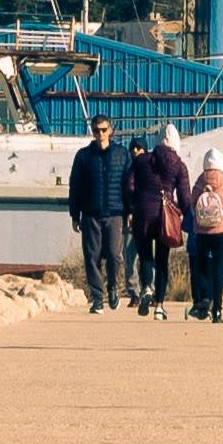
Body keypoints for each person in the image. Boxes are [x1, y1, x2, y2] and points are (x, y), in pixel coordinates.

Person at [65, 114, 129, 313]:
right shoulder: (84, 156)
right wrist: (75, 214)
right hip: (91, 212)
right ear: (92, 132)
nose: (100, 134)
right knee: (91, 257)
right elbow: (75, 186)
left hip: (115, 212)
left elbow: (129, 185)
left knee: (114, 255)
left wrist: (131, 210)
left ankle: (112, 287)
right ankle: (97, 297)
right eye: (96, 130)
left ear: (110, 130)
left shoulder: (122, 154)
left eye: (103, 129)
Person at [127, 128, 188, 317]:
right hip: (166, 216)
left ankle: (146, 288)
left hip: (143, 213)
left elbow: (129, 185)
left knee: (145, 257)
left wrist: (132, 205)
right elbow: (185, 197)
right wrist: (186, 216)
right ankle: (159, 306)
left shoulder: (141, 160)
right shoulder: (179, 165)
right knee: (162, 261)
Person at [186, 145, 223, 319]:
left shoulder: (200, 180)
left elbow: (193, 204)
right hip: (221, 231)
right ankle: (217, 311)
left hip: (202, 231)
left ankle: (203, 300)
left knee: (200, 266)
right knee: (218, 267)